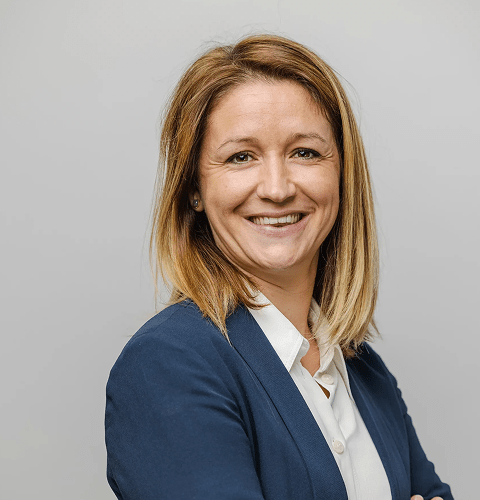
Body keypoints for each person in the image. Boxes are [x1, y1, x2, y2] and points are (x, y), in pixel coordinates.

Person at [104, 34, 453, 500]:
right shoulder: (168, 364)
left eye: (304, 152)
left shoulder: (364, 369)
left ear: (342, 174)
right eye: (240, 157)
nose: (277, 188)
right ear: (194, 189)